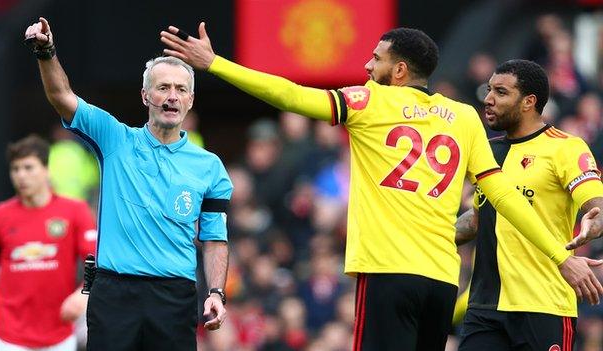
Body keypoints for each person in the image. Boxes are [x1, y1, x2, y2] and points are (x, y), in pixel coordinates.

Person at [160, 23, 603, 350]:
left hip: (390, 273)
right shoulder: (465, 117)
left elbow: (290, 95)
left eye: (377, 59)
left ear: (399, 70)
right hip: (441, 281)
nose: (368, 65)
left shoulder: (369, 102)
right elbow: (503, 196)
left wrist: (215, 64)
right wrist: (562, 255)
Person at [24, 17, 233, 351]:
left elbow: (214, 239)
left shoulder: (210, 167)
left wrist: (216, 292)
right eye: (163, 87)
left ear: (191, 100)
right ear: (145, 95)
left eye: (180, 89)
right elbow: (61, 96)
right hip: (114, 294)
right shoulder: (114, 139)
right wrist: (46, 52)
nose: (172, 97)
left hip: (174, 297)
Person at [454, 59, 603, 351]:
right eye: (488, 90)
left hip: (543, 304)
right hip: (485, 307)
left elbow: (596, 206)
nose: (488, 99)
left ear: (528, 102)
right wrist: (425, 234)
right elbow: (477, 218)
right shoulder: (486, 152)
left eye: (500, 92)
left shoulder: (565, 147)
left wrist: (593, 225)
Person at [0, 135, 97, 351]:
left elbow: (93, 260)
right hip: (10, 338)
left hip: (59, 335)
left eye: (28, 167)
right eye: (15, 169)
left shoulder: (75, 211)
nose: (21, 176)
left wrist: (84, 293)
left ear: (46, 170)